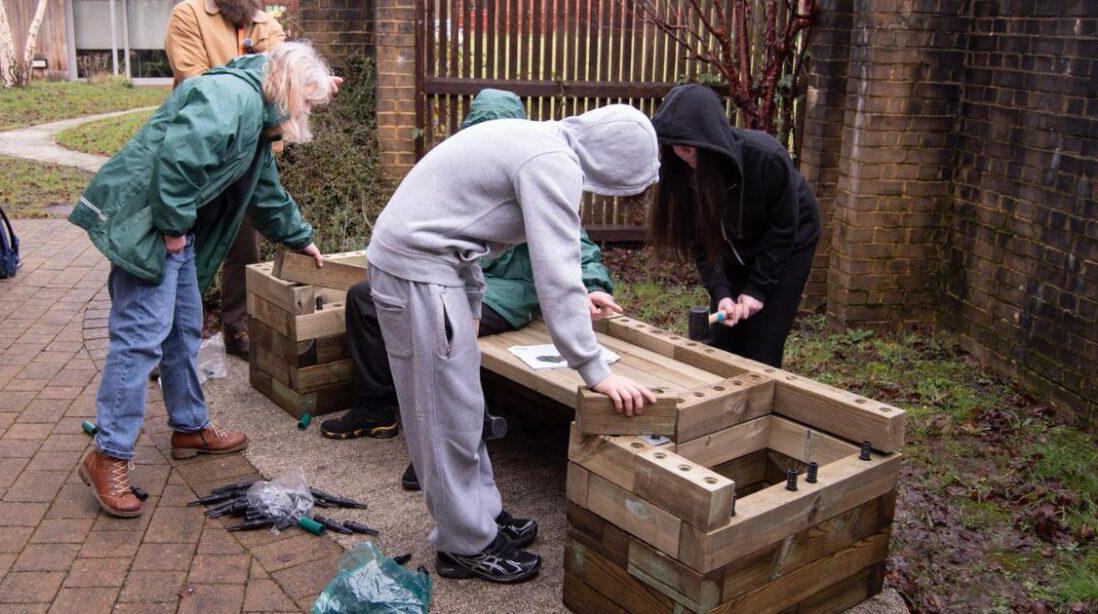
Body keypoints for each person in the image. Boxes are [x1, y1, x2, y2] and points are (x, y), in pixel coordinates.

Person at [365, 104, 661, 583]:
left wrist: (474, 297)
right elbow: (558, 270)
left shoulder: (540, 141)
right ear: (617, 166)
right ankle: (464, 545)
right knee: (443, 413)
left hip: (436, 269)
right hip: (417, 274)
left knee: (464, 404)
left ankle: (479, 514)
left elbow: (468, 226)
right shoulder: (550, 162)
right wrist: (594, 369)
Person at [68, 42, 337, 518]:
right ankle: (107, 455)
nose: (307, 113)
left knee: (184, 331)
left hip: (174, 230)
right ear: (291, 86)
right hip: (148, 226)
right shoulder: (231, 99)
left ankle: (190, 427)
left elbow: (266, 192)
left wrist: (300, 239)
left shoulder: (258, 116)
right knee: (139, 341)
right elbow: (176, 160)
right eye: (309, 102)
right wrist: (173, 228)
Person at [320, 89, 623, 492]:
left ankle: (446, 455)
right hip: (460, 278)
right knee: (364, 296)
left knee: (443, 327)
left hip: (512, 292)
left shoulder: (540, 168)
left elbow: (571, 249)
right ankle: (378, 407)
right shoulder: (474, 164)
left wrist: (594, 287)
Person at [649, 84, 820, 368]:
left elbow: (782, 230)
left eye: (688, 149)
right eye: (676, 149)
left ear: (709, 140)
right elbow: (702, 243)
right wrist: (721, 293)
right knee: (724, 335)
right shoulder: (687, 175)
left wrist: (757, 289)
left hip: (790, 238)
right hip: (737, 239)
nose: (683, 157)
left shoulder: (767, 157)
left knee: (761, 342)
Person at [165, 0, 287, 358]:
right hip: (201, 153)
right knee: (187, 247)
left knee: (244, 246)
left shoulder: (264, 22)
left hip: (250, 152)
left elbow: (283, 79)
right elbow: (195, 82)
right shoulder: (189, 14)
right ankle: (168, 340)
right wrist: (254, 94)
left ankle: (236, 326)